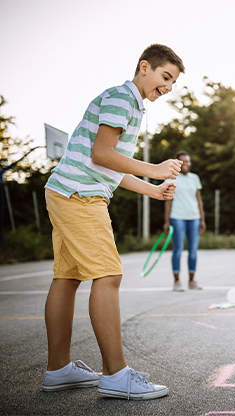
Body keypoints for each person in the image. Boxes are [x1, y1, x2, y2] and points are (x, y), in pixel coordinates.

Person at [43, 44, 185, 399]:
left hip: (66, 190)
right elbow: (101, 153)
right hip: (80, 194)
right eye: (165, 77)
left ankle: (59, 369)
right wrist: (153, 169)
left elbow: (110, 164)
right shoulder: (123, 98)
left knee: (68, 277)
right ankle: (116, 374)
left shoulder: (129, 102)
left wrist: (151, 190)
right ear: (144, 68)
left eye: (172, 83)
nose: (167, 87)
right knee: (108, 275)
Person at [163, 150, 206, 291]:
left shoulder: (195, 178)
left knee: (193, 250)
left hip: (194, 217)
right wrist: (167, 221)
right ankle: (177, 281)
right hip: (177, 217)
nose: (187, 164)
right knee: (178, 249)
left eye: (188, 161)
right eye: (184, 162)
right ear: (177, 164)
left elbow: (198, 200)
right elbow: (168, 201)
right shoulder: (171, 178)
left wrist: (202, 219)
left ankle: (192, 281)